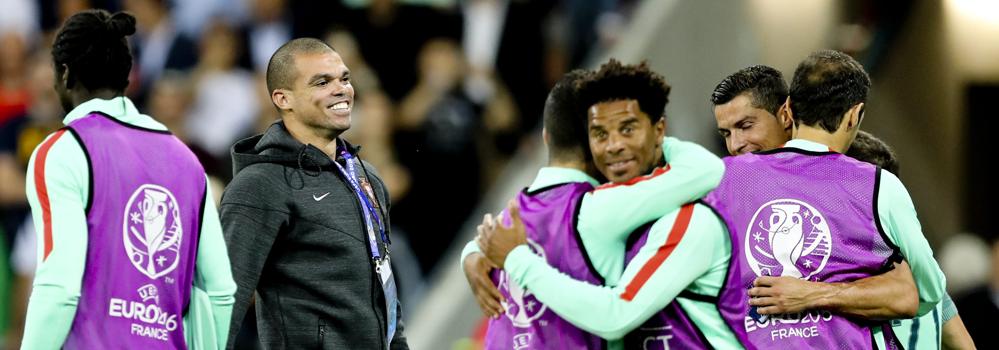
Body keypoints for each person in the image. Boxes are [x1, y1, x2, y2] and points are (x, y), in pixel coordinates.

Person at [475, 60, 739, 349]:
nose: (613, 145)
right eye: (601, 134)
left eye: (627, 129)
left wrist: (510, 258)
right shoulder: (598, 205)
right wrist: (473, 255)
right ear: (587, 141)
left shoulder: (687, 219)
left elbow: (616, 316)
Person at [712, 65, 971, 350]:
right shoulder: (725, 186)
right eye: (726, 133)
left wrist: (812, 294)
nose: (736, 144)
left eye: (746, 126)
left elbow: (912, 293)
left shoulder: (857, 174)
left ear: (786, 113)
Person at [21, 10, 235, 349]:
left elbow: (59, 286)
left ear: (64, 74)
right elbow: (221, 291)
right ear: (125, 76)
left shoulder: (63, 150)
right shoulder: (186, 161)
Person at [221, 38, 408, 349]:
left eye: (344, 79)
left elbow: (385, 289)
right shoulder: (259, 186)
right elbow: (224, 301)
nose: (342, 89)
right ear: (283, 98)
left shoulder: (367, 177)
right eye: (322, 82)